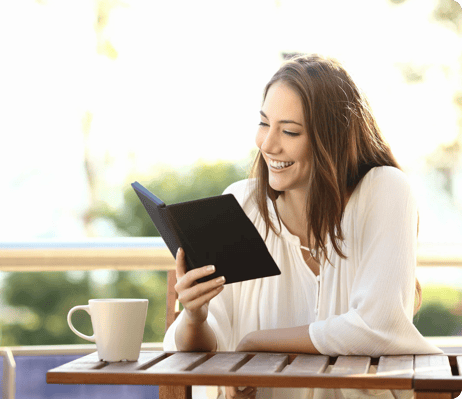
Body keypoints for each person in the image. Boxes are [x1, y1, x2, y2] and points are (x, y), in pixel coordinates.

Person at [162, 54, 443, 399]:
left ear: (331, 140)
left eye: (290, 131)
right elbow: (207, 347)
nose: (267, 144)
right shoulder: (242, 204)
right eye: (264, 124)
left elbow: (379, 326)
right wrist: (194, 316)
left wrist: (257, 342)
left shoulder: (385, 190)